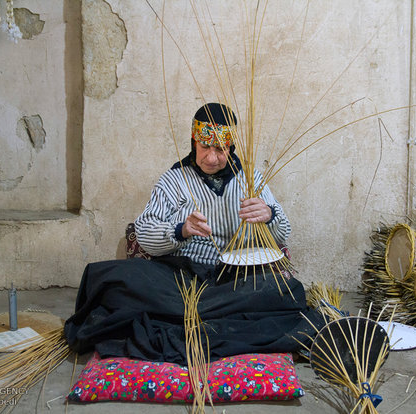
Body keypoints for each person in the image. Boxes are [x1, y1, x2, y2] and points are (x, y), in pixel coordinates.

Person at [64, 103, 324, 365]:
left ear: (231, 147)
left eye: (220, 149)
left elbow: (282, 237)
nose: (212, 158)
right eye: (204, 147)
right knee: (109, 279)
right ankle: (214, 318)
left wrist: (269, 215)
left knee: (286, 291)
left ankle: (185, 315)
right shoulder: (173, 180)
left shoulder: (251, 179)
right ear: (193, 142)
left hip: (233, 281)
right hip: (179, 277)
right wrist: (181, 230)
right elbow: (144, 234)